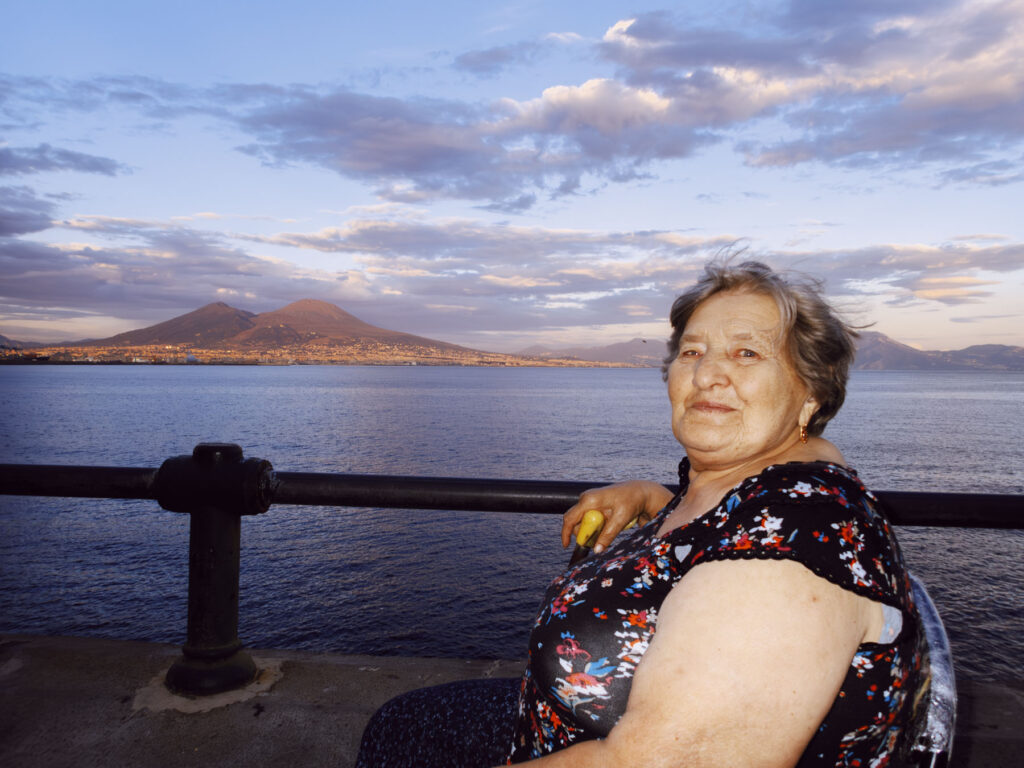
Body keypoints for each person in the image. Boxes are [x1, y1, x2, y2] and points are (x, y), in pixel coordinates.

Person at [356, 260, 925, 767]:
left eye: (747, 353)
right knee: (397, 724)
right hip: (559, 722)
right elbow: (708, 536)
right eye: (692, 352)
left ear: (812, 393)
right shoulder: (744, 483)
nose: (707, 374)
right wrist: (652, 497)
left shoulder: (796, 545)